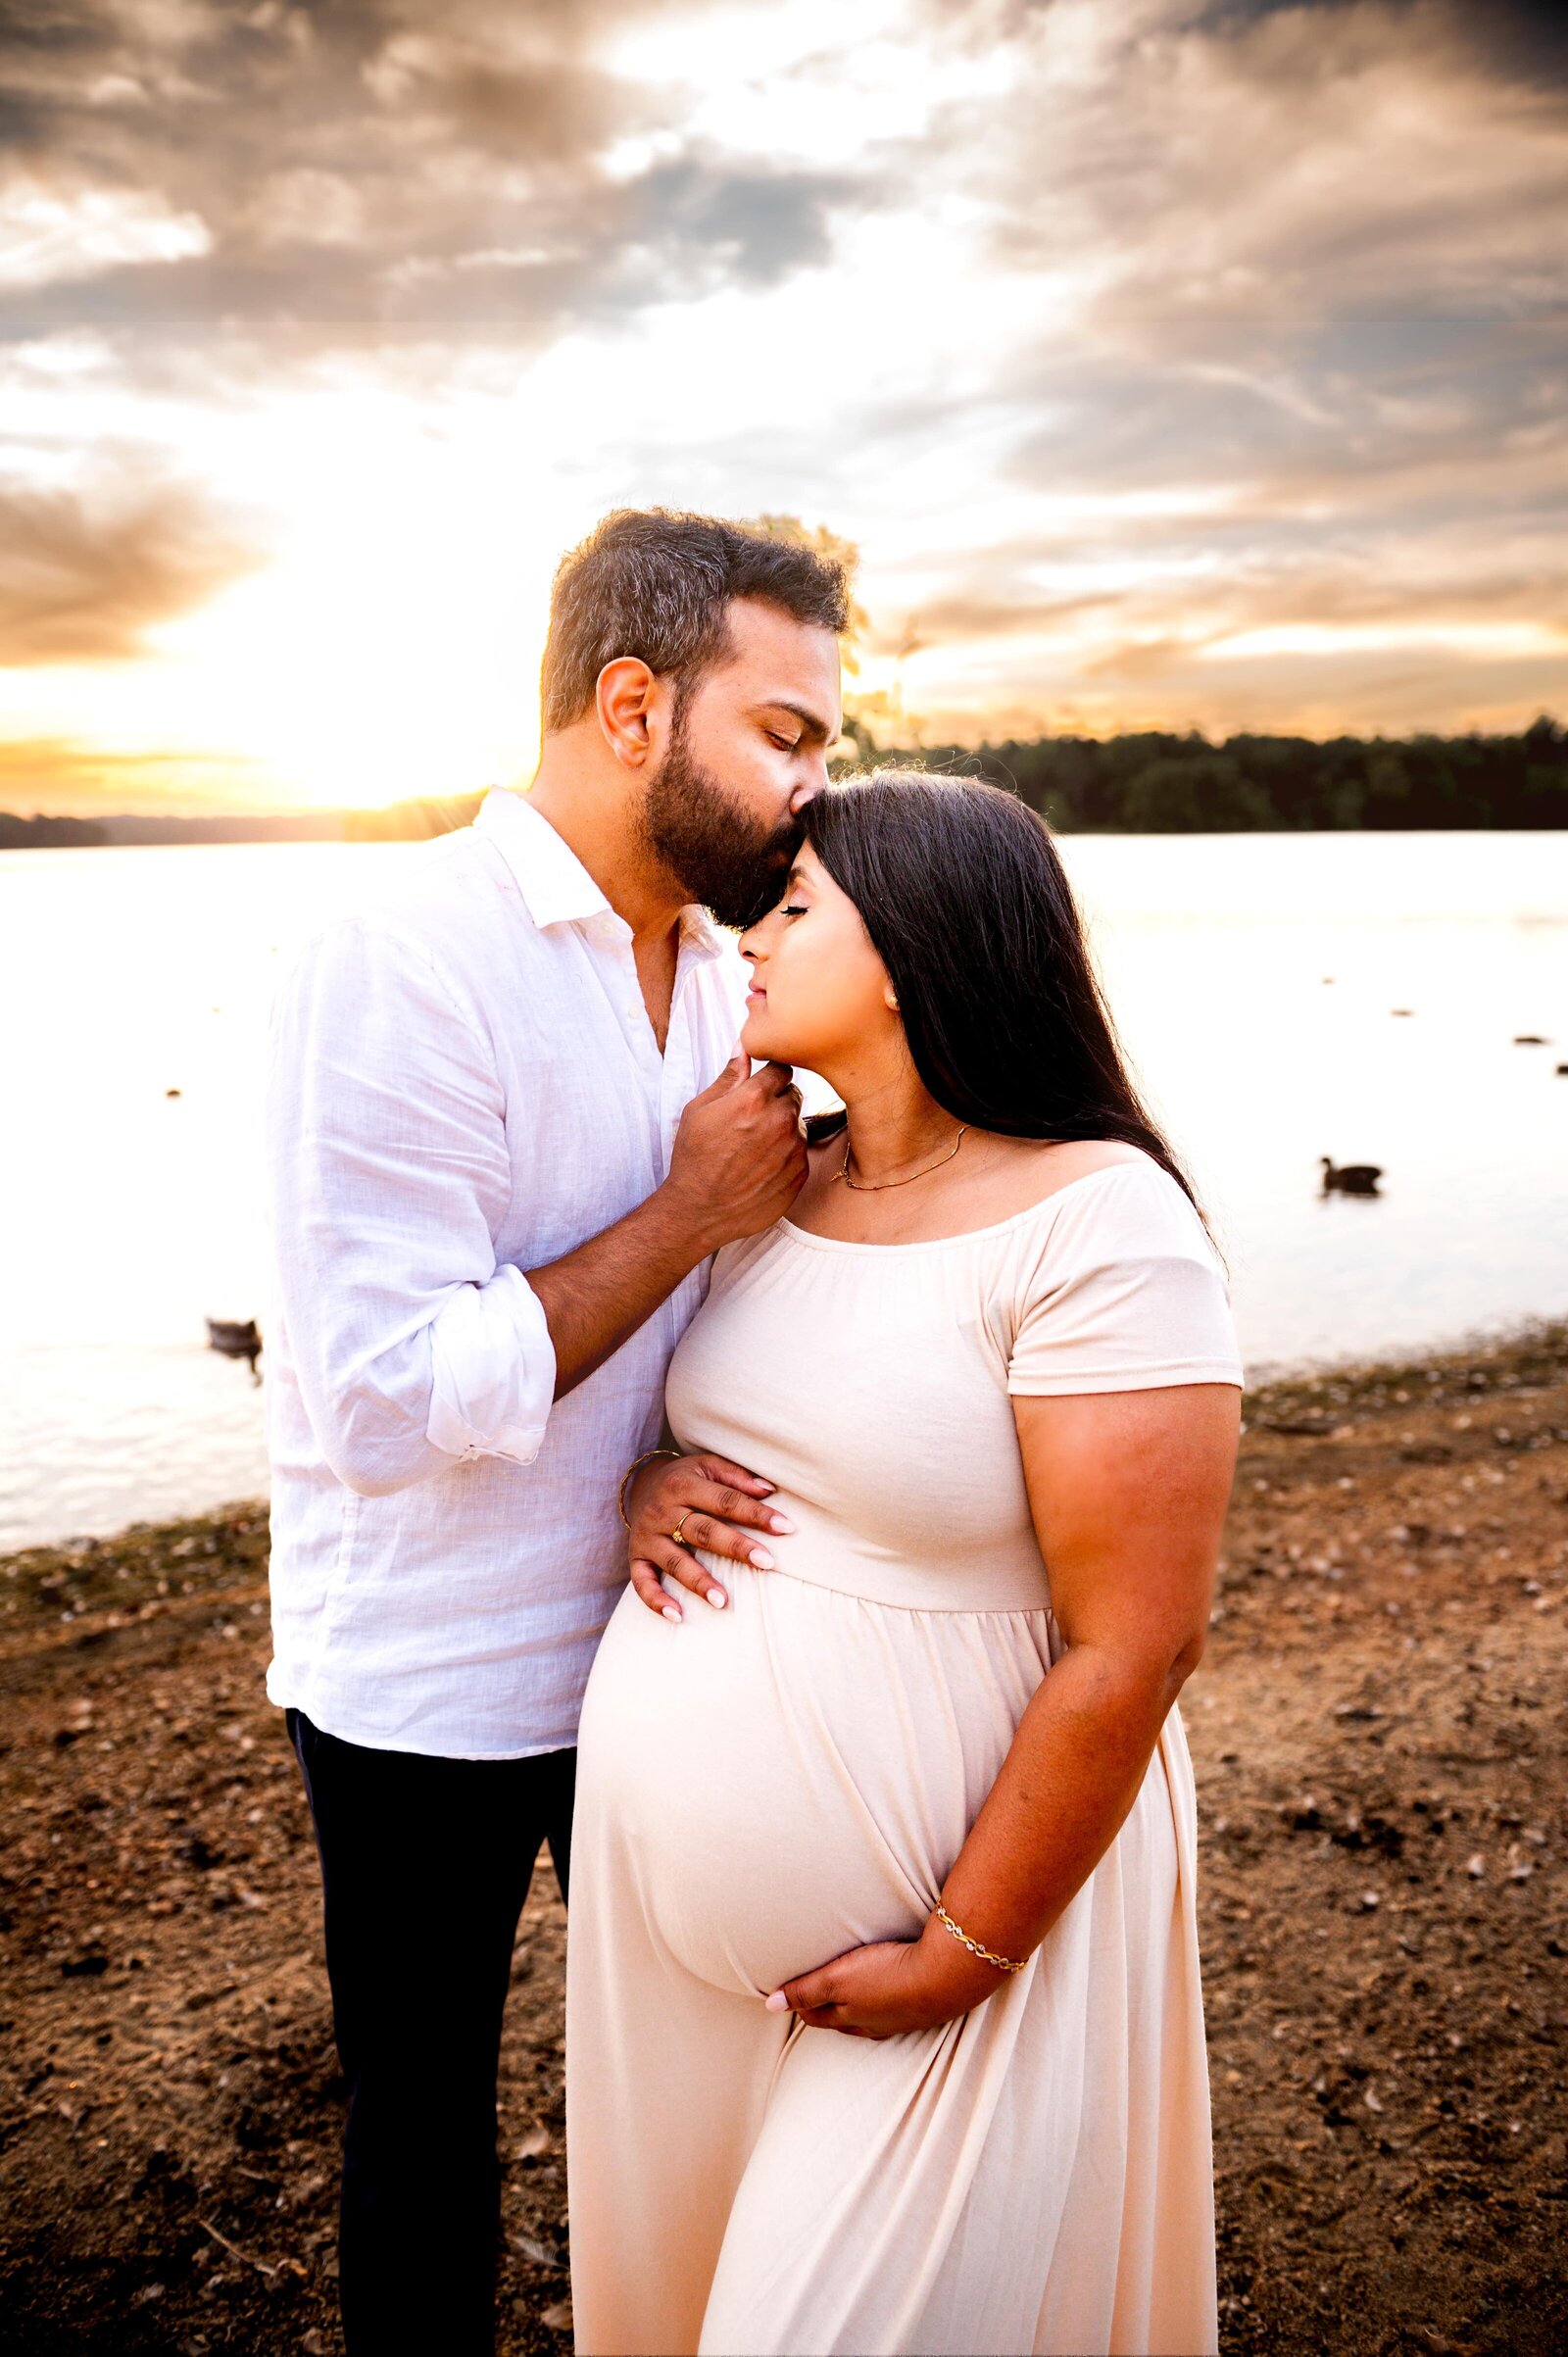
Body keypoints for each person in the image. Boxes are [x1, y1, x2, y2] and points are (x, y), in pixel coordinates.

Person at [263, 509, 847, 2354]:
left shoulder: (724, 966)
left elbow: (713, 1309)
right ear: (629, 706)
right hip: (426, 1682)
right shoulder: (402, 952)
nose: (816, 792)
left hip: (666, 1645)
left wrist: (672, 1441)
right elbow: (377, 1401)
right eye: (787, 735)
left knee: (706, 2078)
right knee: (425, 2142)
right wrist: (686, 1211)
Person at [567, 770, 1244, 2357]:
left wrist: (964, 1953)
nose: (751, 933)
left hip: (957, 1933)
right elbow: (759, 1424)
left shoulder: (1097, 1225)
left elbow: (1134, 1645)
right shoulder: (769, 1185)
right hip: (680, 1954)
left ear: (913, 947)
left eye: (795, 903)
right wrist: (642, 1488)